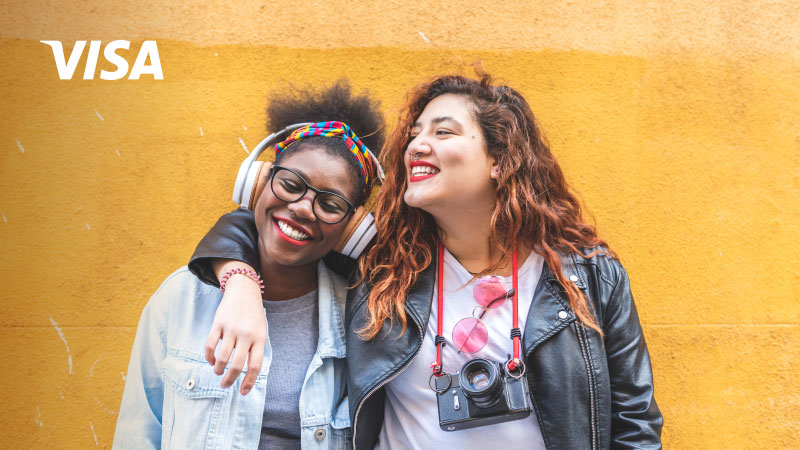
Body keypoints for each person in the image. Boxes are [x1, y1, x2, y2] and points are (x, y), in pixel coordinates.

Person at [190, 73, 663, 449]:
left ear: (499, 159)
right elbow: (265, 224)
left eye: (443, 132)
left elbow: (635, 423)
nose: (416, 144)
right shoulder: (381, 265)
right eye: (415, 134)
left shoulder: (589, 275)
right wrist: (240, 284)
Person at [112, 80, 385, 449]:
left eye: (331, 205)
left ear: (352, 230)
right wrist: (239, 280)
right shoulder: (180, 298)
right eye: (291, 183)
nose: (303, 207)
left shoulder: (364, 322)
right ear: (257, 184)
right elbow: (139, 436)